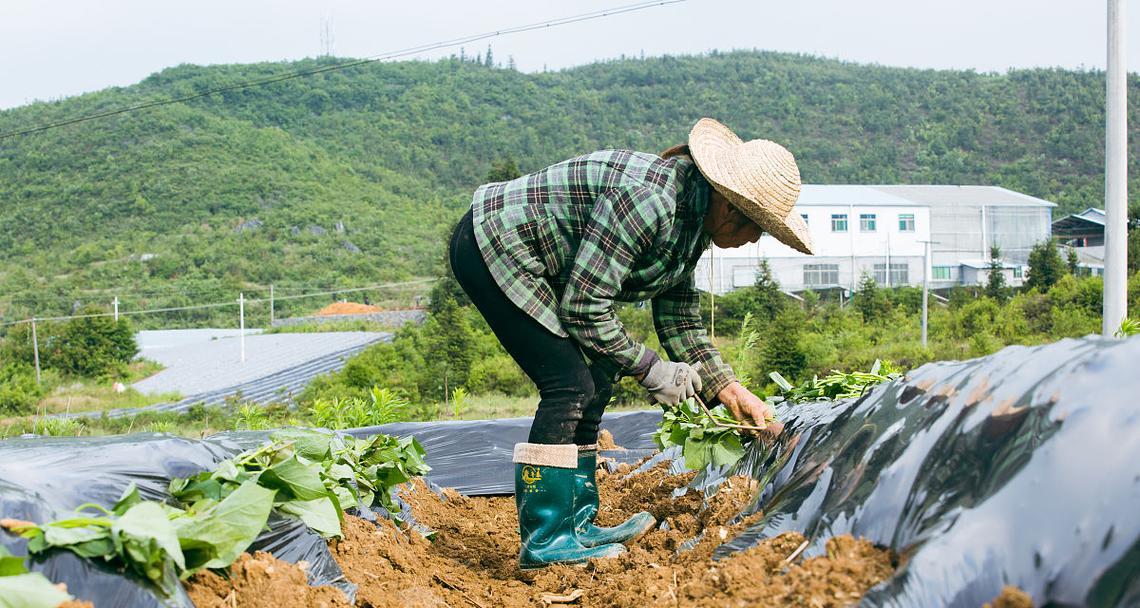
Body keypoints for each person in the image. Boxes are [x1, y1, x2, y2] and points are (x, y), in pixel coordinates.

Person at [447, 117, 814, 569]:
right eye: (756, 227)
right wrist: (650, 369)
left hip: (541, 263)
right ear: (728, 207)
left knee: (598, 379)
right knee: (570, 385)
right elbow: (584, 306)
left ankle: (577, 525)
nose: (756, 239)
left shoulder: (693, 227)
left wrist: (730, 390)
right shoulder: (650, 202)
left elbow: (680, 318)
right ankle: (544, 542)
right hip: (497, 245)